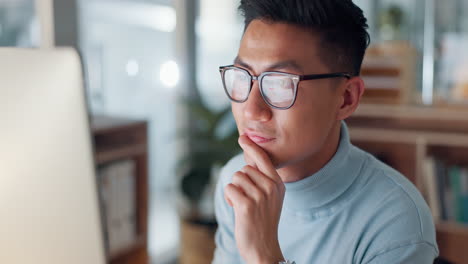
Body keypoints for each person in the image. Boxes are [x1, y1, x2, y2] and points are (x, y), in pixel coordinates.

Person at [212, 0, 439, 263]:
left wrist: (263, 255)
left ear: (346, 98)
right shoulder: (236, 180)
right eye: (242, 75)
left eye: (280, 84)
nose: (251, 110)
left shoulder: (397, 221)